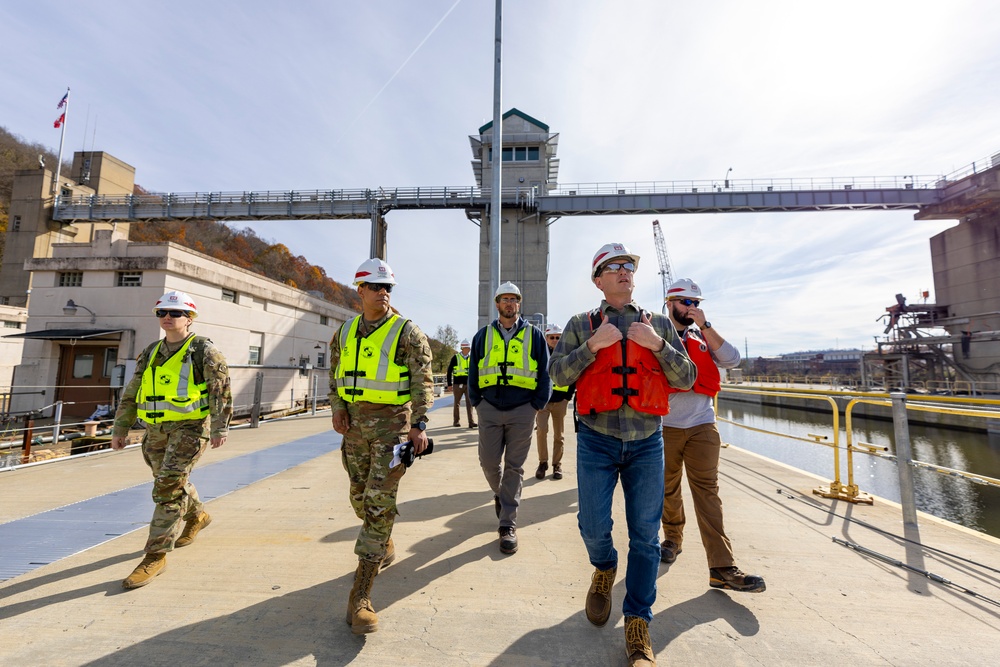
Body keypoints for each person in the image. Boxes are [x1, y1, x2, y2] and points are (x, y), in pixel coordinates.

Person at [549, 244, 695, 667]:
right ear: (599, 280)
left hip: (647, 441)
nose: (625, 272)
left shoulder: (660, 324)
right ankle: (604, 567)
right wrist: (591, 346)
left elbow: (686, 378)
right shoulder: (581, 324)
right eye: (614, 268)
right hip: (597, 439)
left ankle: (637, 621)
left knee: (646, 537)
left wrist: (658, 346)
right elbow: (556, 376)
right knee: (593, 525)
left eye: (629, 266)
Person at [329, 257, 433, 635]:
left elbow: (424, 381)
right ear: (359, 290)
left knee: (377, 502)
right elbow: (336, 373)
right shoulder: (344, 332)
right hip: (355, 427)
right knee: (359, 495)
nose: (383, 292)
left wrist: (419, 425)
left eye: (388, 287)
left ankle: (361, 597)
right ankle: (384, 540)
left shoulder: (407, 332)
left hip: (393, 427)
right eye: (375, 286)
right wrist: (338, 407)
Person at [111, 290, 232, 590]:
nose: (167, 317)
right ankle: (198, 516)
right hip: (154, 431)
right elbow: (132, 391)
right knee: (170, 483)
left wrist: (220, 427)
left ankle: (155, 555)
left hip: (190, 429)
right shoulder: (151, 351)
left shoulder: (204, 350)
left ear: (190, 318)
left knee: (166, 487)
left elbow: (221, 392)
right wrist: (120, 427)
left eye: (175, 312)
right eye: (162, 312)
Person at [660, 278, 765, 593]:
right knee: (667, 489)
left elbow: (732, 360)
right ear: (670, 302)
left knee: (708, 493)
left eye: (696, 303)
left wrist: (706, 326)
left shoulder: (701, 333)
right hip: (664, 425)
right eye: (686, 303)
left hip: (703, 424)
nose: (692, 308)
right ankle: (673, 539)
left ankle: (721, 567)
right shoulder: (655, 333)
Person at [468, 281, 550, 555]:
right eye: (505, 299)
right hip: (489, 407)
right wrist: (477, 402)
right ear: (497, 304)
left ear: (519, 304)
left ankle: (507, 525)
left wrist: (536, 404)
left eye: (514, 299)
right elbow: (472, 373)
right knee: (488, 462)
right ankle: (501, 495)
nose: (510, 304)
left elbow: (545, 373)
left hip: (522, 410)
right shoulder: (482, 336)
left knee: (514, 467)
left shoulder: (535, 335)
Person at [534, 323, 574, 481]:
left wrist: (567, 397)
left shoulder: (566, 355)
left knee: (559, 435)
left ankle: (557, 464)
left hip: (560, 401)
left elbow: (573, 376)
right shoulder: (540, 355)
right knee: (541, 432)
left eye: (558, 337)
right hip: (543, 402)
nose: (555, 340)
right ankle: (542, 463)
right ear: (546, 338)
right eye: (552, 337)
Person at [446, 339, 477, 428]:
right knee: (457, 403)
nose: (468, 349)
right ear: (462, 348)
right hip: (457, 384)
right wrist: (449, 384)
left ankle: (471, 422)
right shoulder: (455, 358)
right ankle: (456, 421)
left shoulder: (472, 358)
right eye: (467, 348)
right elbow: (449, 371)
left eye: (469, 348)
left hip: (468, 384)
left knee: (469, 403)